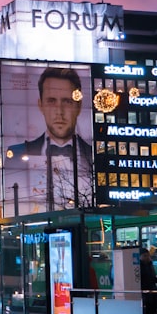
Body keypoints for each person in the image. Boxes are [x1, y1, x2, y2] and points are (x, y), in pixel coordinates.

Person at [8, 66, 94, 211]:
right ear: (40, 105)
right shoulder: (16, 154)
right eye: (51, 101)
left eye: (67, 101)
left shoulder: (94, 156)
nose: (59, 112)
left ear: (78, 106)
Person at [139, 247, 157, 314]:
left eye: (148, 255)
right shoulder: (139, 266)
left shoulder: (150, 264)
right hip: (144, 291)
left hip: (150, 290)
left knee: (151, 309)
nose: (147, 257)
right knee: (146, 310)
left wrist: (154, 279)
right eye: (145, 256)